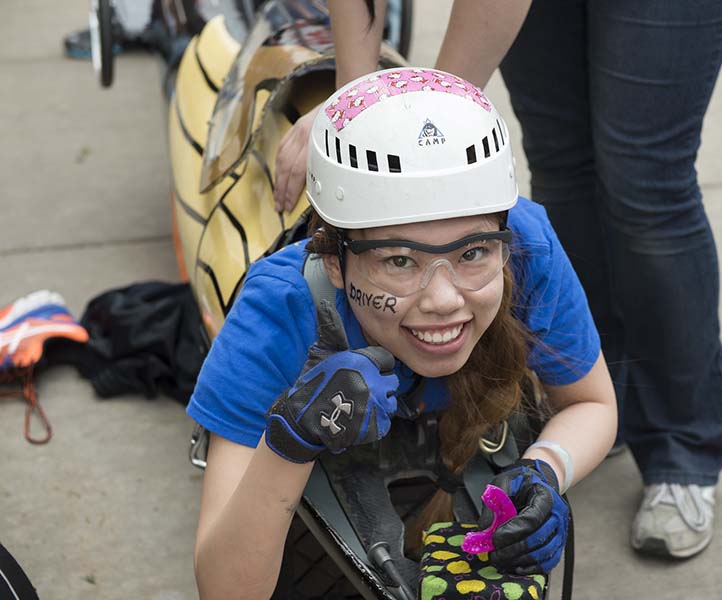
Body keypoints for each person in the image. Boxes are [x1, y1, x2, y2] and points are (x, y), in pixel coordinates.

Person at [275, 0, 722, 560]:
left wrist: (423, 130)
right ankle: (596, 387)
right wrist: (352, 116)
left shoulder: (526, 240)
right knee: (563, 162)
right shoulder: (275, 294)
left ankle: (682, 448)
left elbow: (437, 130)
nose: (442, 297)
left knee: (645, 179)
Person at [188, 68, 617, 598]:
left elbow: (592, 405)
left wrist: (546, 468)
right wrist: (291, 442)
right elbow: (224, 589)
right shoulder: (280, 309)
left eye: (473, 253)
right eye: (398, 261)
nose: (443, 301)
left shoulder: (529, 246)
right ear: (335, 261)